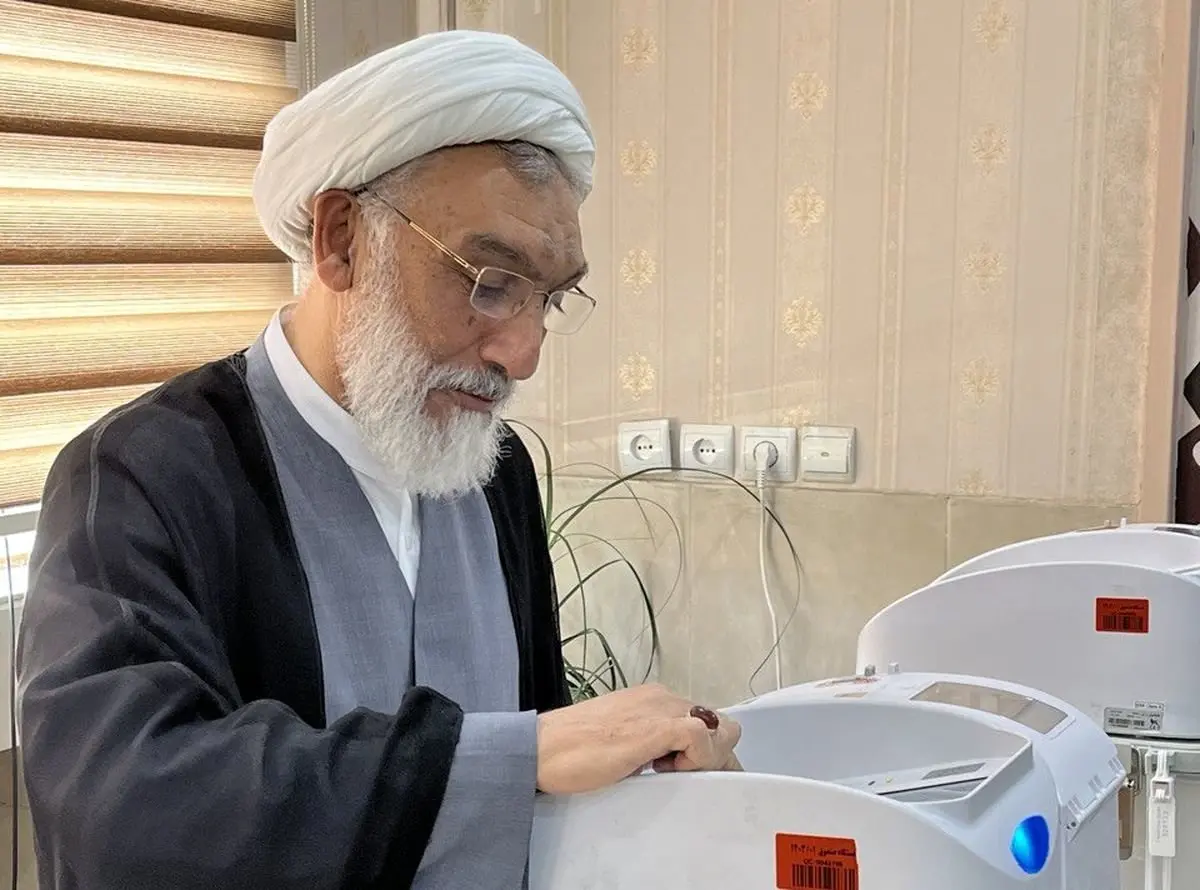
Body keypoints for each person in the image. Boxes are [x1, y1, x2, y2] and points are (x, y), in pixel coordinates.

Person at [15, 28, 741, 890]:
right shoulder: (140, 474)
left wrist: (642, 767)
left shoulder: (494, 468)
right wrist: (501, 761)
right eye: (489, 282)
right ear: (342, 240)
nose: (521, 355)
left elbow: (545, 759)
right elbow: (126, 802)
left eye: (548, 298)